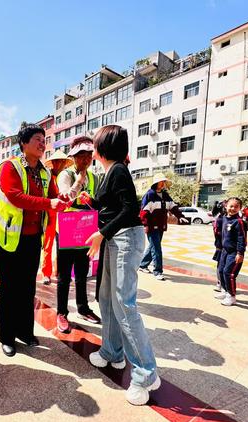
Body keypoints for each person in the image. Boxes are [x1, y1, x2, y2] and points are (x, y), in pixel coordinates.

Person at [79, 125, 160, 406]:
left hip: (124, 239)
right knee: (106, 298)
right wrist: (88, 200)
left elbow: (128, 210)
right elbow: (107, 205)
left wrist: (101, 234)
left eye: (94, 145)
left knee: (124, 304)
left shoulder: (119, 171)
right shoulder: (110, 172)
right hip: (115, 240)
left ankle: (146, 374)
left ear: (101, 148)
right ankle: (112, 352)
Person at [0, 124, 68, 357]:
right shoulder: (9, 166)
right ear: (23, 143)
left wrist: (69, 197)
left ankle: (25, 332)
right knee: (9, 289)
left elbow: (54, 197)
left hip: (33, 238)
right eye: (37, 138)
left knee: (27, 288)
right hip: (8, 238)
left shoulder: (45, 172)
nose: (42, 143)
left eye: (44, 139)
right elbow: (15, 196)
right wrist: (49, 203)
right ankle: (6, 337)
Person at [55, 136, 101, 333]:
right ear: (73, 157)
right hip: (66, 231)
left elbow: (98, 202)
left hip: (86, 232)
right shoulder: (66, 175)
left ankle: (83, 308)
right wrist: (79, 182)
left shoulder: (95, 177)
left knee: (82, 273)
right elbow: (65, 198)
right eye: (81, 156)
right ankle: (62, 313)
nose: (85, 160)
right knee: (64, 276)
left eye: (88, 155)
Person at [138, 174, 188, 280]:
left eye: (164, 182)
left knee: (153, 246)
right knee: (157, 249)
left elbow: (173, 207)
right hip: (151, 226)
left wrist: (180, 216)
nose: (163, 184)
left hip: (161, 226)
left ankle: (142, 265)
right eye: (161, 181)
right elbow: (143, 212)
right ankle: (158, 271)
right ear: (156, 183)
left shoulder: (165, 195)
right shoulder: (149, 195)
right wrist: (145, 225)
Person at [41, 150, 72, 285]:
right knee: (48, 246)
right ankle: (46, 274)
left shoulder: (67, 178)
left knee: (63, 246)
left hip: (63, 216)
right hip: (49, 216)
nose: (61, 164)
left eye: (63, 162)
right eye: (59, 161)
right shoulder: (47, 177)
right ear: (53, 163)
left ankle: (60, 272)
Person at [214, 197, 247, 306]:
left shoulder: (239, 222)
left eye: (236, 207)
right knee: (221, 271)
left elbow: (242, 239)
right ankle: (225, 291)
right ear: (226, 206)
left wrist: (240, 253)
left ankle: (232, 296)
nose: (233, 208)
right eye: (230, 206)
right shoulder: (224, 218)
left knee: (229, 273)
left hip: (234, 253)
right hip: (224, 251)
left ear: (240, 208)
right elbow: (216, 226)